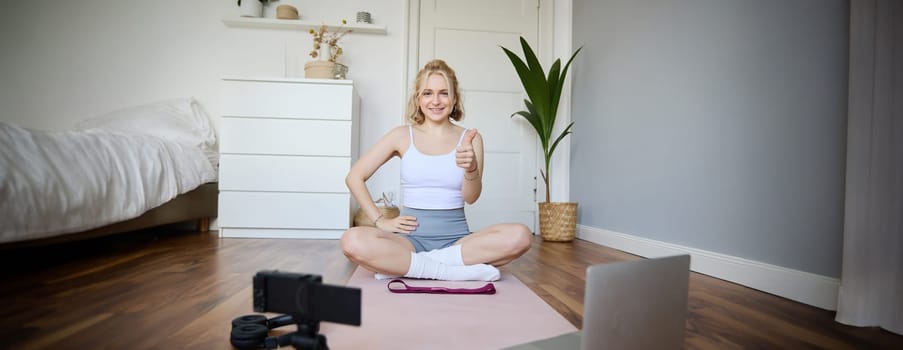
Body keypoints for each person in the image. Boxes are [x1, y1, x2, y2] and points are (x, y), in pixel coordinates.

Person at [340, 59, 532, 282]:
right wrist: (380, 221)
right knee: (351, 241)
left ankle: (411, 267)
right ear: (418, 99)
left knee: (521, 236)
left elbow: (471, 197)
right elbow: (354, 177)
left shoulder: (470, 138)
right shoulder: (401, 135)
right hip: (409, 241)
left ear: (454, 98)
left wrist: (470, 168)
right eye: (428, 93)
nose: (436, 101)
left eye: (443, 93)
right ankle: (448, 271)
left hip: (458, 241)